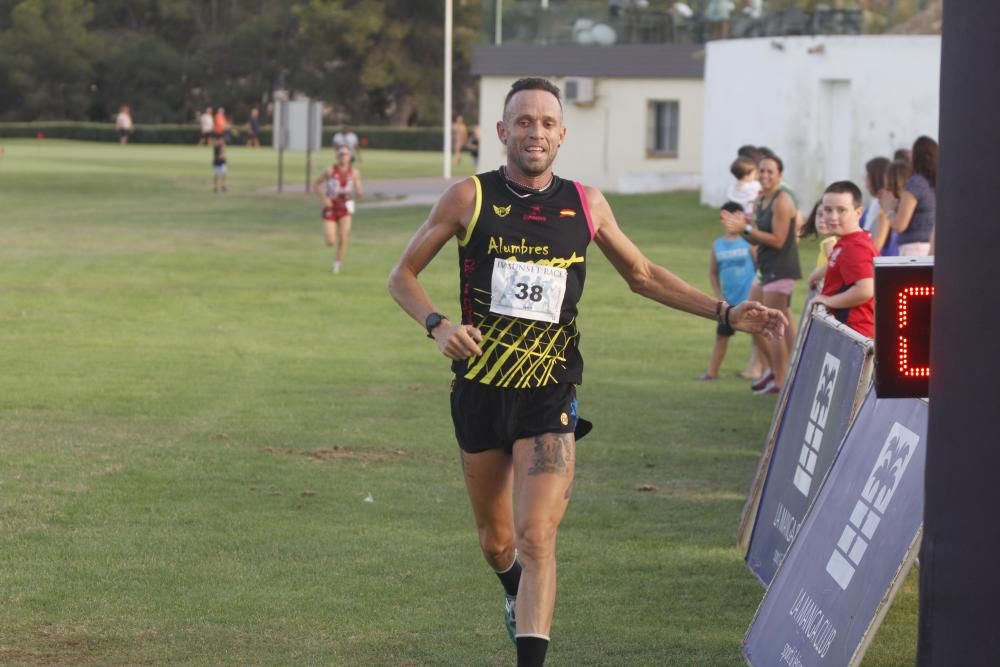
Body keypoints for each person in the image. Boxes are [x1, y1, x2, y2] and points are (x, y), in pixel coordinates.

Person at [387, 77, 787, 667]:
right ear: (502, 131)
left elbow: (644, 275)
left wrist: (725, 311)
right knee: (498, 543)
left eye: (547, 123)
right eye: (523, 121)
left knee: (537, 536)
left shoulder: (585, 203)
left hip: (550, 392)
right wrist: (439, 325)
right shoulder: (467, 198)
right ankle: (511, 588)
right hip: (479, 391)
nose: (535, 132)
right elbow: (403, 276)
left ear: (562, 134)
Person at [722, 153, 801, 395]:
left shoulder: (782, 200)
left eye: (770, 172)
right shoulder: (760, 199)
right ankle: (772, 372)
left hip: (781, 268)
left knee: (773, 326)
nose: (765, 175)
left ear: (780, 175)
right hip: (764, 268)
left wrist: (744, 228)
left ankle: (781, 381)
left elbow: (778, 240)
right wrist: (743, 227)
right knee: (751, 320)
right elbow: (755, 233)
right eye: (762, 171)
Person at [810, 181, 879, 338]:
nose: (833, 217)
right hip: (849, 332)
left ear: (858, 213)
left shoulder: (855, 246)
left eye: (841, 210)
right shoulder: (846, 242)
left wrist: (828, 301)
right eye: (828, 210)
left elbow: (865, 289)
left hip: (855, 334)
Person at [698, 201, 757, 380]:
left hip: (750, 299)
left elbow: (760, 268)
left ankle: (761, 371)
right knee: (722, 336)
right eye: (726, 218)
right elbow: (713, 273)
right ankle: (712, 373)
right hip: (728, 302)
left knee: (759, 337)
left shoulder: (749, 242)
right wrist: (719, 296)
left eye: (735, 217)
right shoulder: (718, 245)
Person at [881, 135, 936, 257]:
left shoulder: (916, 182)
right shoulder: (936, 183)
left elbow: (900, 225)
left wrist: (888, 210)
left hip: (913, 250)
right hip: (932, 246)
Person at [314, 146, 363, 274]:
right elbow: (316, 184)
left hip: (345, 207)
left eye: (346, 154)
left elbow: (358, 189)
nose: (344, 156)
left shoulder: (354, 172)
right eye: (341, 154)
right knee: (330, 241)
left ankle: (336, 265)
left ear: (350, 156)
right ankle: (332, 241)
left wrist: (359, 193)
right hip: (331, 206)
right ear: (337, 156)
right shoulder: (330, 171)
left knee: (343, 238)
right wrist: (324, 199)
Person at [862, 156, 891, 250]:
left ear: (876, 177)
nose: (864, 179)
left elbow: (877, 246)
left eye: (867, 176)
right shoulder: (874, 203)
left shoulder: (885, 206)